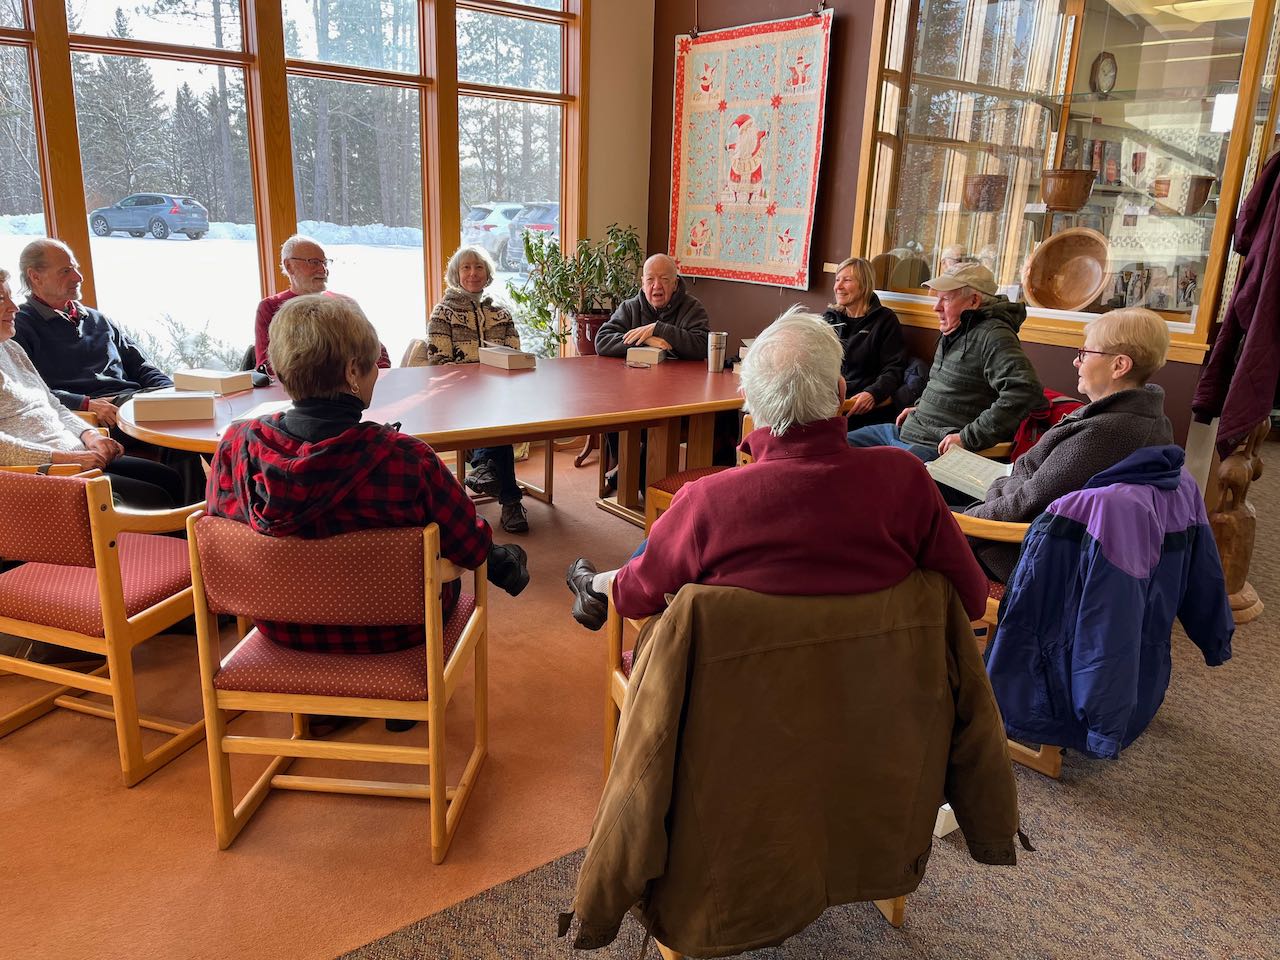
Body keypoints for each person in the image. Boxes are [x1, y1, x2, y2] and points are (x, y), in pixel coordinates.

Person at [565, 307, 989, 630]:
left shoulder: (707, 501)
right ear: (842, 391)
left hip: (735, 719)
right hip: (882, 717)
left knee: (643, 574)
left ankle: (596, 583)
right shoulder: (907, 479)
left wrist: (612, 587)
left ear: (748, 400)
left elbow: (638, 598)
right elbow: (970, 599)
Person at [207, 293, 529, 657]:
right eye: (372, 364)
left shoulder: (235, 446)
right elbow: (469, 547)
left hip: (280, 626)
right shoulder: (407, 460)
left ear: (279, 372)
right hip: (395, 634)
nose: (377, 371)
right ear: (351, 371)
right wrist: (493, 552)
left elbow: (226, 537)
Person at [963, 307, 1174, 582]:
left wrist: (963, 520)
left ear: (1119, 365)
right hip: (1037, 532)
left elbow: (1029, 502)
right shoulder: (1151, 420)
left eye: (1085, 353)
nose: (1077, 362)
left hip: (1020, 554)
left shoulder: (1103, 434)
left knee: (909, 527)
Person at [0, 267, 182, 509]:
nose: (14, 306)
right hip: (47, 474)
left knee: (169, 479)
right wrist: (68, 459)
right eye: (2, 299)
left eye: (11, 296)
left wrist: (91, 436)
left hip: (78, 453)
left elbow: (53, 405)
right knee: (155, 498)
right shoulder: (25, 331)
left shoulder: (11, 349)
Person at [846, 262, 1045, 462]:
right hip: (904, 431)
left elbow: (1025, 391)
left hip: (934, 447)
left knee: (880, 475)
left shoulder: (994, 336)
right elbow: (948, 387)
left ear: (974, 301)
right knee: (834, 447)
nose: (936, 307)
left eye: (945, 300)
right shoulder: (954, 330)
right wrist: (921, 407)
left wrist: (968, 438)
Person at [425, 244, 529, 534]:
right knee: (497, 423)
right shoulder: (443, 312)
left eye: (479, 267)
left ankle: (485, 468)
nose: (473, 273)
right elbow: (439, 361)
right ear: (456, 274)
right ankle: (510, 501)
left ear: (488, 273)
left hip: (498, 390)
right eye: (466, 267)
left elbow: (515, 353)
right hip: (458, 393)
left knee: (498, 414)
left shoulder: (500, 312)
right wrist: (474, 381)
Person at [13, 239, 172, 428]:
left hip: (133, 402)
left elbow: (142, 366)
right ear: (35, 277)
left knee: (200, 409)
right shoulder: (18, 327)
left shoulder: (97, 319)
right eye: (65, 271)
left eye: (75, 268)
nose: (78, 277)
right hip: (94, 415)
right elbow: (26, 391)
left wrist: (171, 391)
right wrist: (85, 404)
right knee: (182, 423)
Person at [254, 234, 392, 376]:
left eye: (324, 263)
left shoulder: (346, 303)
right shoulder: (270, 307)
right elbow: (267, 367)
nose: (323, 270)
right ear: (289, 266)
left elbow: (378, 354)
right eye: (314, 262)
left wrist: (371, 381)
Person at [822, 256, 908, 431]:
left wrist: (873, 393)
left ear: (864, 284)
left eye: (846, 280)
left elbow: (894, 369)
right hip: (826, 404)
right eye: (837, 279)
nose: (838, 286)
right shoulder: (829, 319)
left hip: (860, 408)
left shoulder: (885, 320)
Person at [594, 254, 709, 360]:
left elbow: (703, 346)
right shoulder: (630, 308)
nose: (657, 286)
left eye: (664, 279)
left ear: (675, 284)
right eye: (650, 279)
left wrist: (659, 329)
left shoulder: (692, 308)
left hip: (678, 379)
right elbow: (602, 341)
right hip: (636, 378)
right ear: (643, 285)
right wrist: (645, 340)